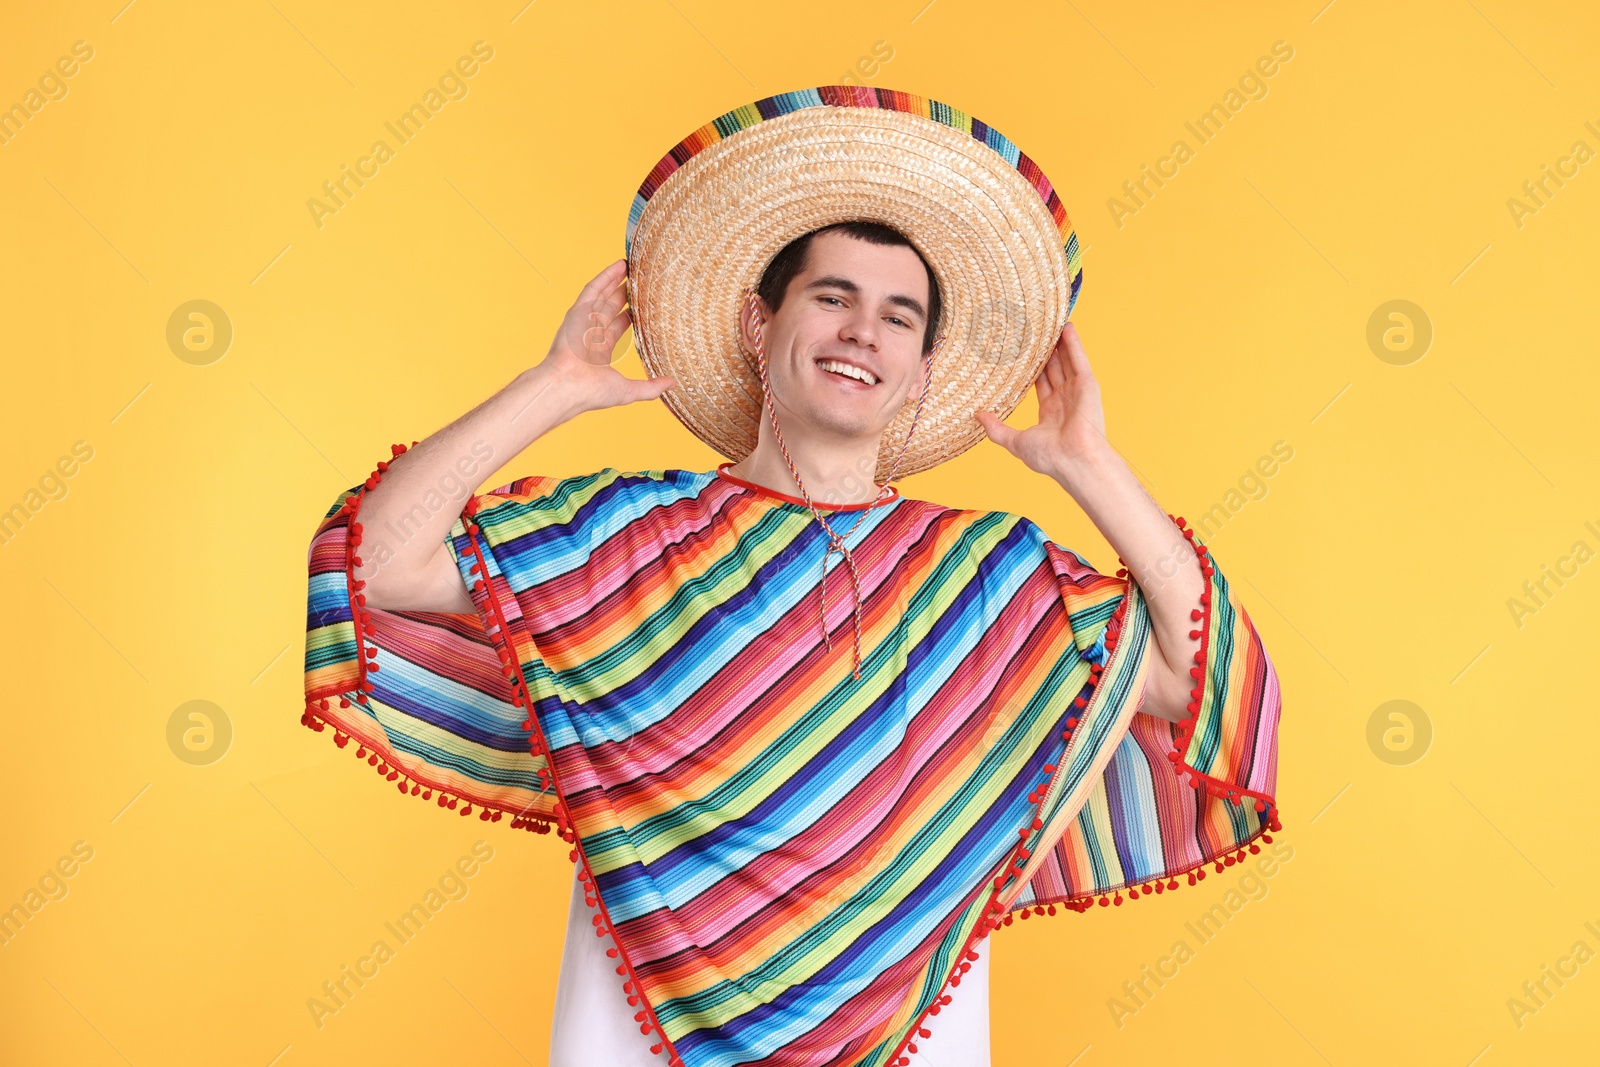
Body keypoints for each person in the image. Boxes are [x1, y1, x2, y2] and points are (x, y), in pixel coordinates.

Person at [301, 87, 1282, 1067]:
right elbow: (376, 564)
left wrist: (1089, 467)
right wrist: (551, 386)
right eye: (831, 297)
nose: (864, 332)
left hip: (910, 1044)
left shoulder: (990, 575)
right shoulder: (622, 534)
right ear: (755, 324)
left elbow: (1209, 686)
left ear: (921, 372)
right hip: (637, 1031)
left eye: (900, 317)